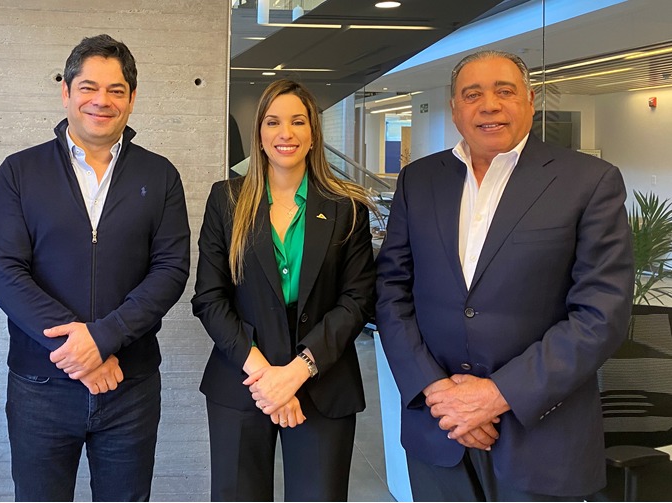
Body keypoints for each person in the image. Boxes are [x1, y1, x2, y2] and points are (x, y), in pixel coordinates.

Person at [375, 49, 634, 501]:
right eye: (472, 94)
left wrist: (496, 395)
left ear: (530, 101)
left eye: (505, 91)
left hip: (541, 439)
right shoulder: (419, 180)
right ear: (454, 108)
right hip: (438, 429)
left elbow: (600, 315)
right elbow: (391, 291)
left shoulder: (588, 181)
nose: (489, 105)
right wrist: (437, 392)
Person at [0, 34, 190, 501]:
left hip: (130, 386)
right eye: (88, 87)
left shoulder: (160, 176)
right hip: (41, 386)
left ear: (131, 98)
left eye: (116, 90)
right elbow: (3, 270)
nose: (102, 100)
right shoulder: (19, 172)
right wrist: (79, 349)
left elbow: (171, 270)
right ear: (66, 92)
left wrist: (104, 338)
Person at [192, 79, 377, 501]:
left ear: (313, 133)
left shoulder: (347, 207)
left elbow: (357, 301)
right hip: (242, 382)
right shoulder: (227, 201)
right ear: (259, 133)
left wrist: (296, 373)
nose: (285, 133)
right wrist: (266, 379)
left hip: (323, 384)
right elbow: (209, 298)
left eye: (298, 121)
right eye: (273, 122)